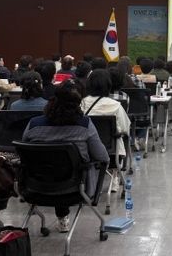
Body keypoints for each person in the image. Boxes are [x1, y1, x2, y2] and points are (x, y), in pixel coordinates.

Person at [22, 80, 109, 232]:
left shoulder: (33, 124)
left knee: (52, 166)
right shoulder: (85, 125)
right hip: (75, 190)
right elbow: (103, 157)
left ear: (53, 99)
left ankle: (61, 217)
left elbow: (22, 150)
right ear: (78, 102)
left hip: (36, 188)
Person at [80, 70, 131, 192]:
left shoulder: (82, 103)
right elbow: (125, 128)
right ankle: (115, 176)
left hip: (86, 150)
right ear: (108, 85)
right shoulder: (115, 105)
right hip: (112, 153)